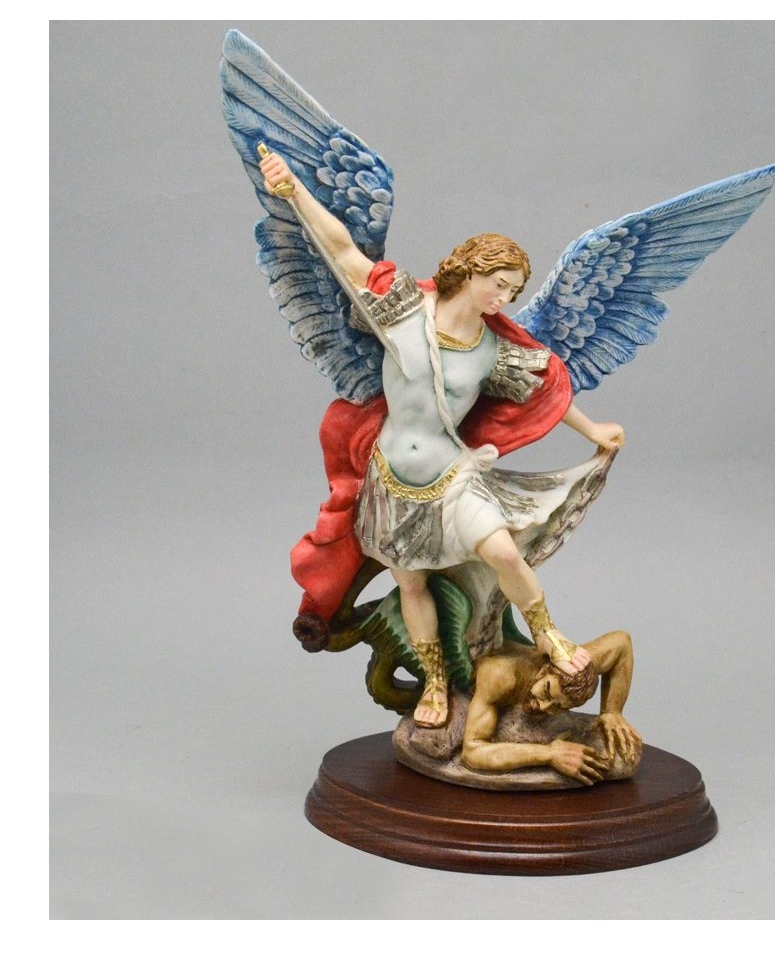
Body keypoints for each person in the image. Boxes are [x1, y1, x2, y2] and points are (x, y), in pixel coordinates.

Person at [259, 152, 626, 730]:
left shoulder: (493, 349)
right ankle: (434, 680)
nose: (504, 299)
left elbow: (546, 392)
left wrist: (593, 430)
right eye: (499, 285)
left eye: (513, 291)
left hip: (452, 475)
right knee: (412, 584)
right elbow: (343, 251)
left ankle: (548, 634)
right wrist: (293, 191)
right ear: (470, 272)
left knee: (503, 552)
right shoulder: (404, 308)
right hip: (391, 482)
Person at [461, 629, 642, 785]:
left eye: (558, 707)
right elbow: (472, 751)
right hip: (469, 652)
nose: (542, 707)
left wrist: (611, 711)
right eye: (546, 692)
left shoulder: (576, 667)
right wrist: (550, 754)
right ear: (543, 671)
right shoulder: (501, 676)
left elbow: (621, 643)